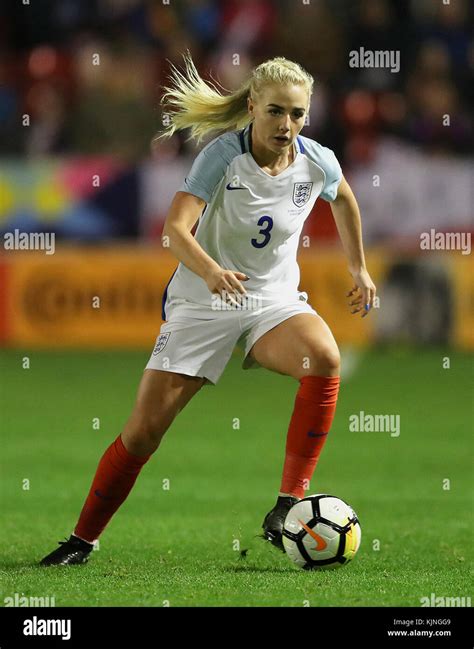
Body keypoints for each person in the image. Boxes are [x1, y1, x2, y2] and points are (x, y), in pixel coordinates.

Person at [40, 53, 376, 566]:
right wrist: (211, 271)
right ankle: (82, 540)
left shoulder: (317, 161)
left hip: (273, 299)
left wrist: (359, 269)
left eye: (298, 113)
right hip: (204, 299)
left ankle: (287, 505)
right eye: (276, 112)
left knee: (325, 359)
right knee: (144, 432)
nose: (287, 125)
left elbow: (346, 199)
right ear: (252, 107)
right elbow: (175, 230)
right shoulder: (223, 156)